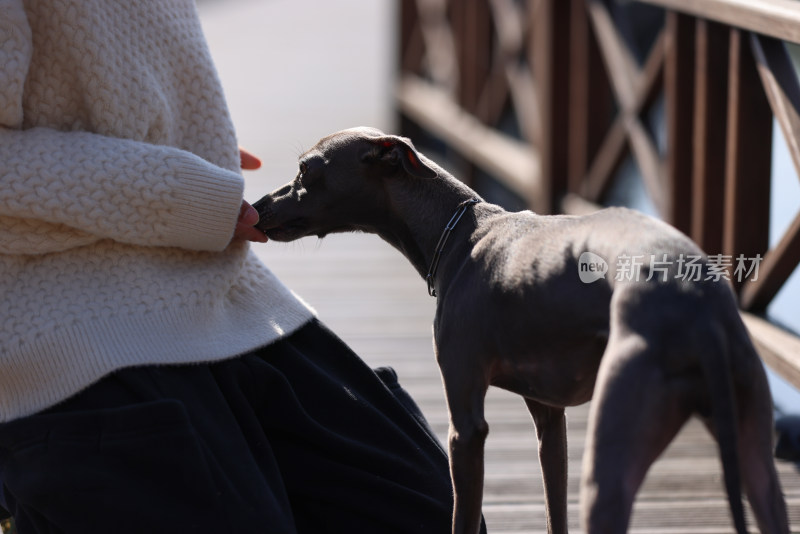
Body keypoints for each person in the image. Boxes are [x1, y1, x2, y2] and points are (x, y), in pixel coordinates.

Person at [0, 1, 483, 532]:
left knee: (438, 514)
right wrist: (167, 190)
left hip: (227, 297)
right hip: (68, 329)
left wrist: (179, 140)